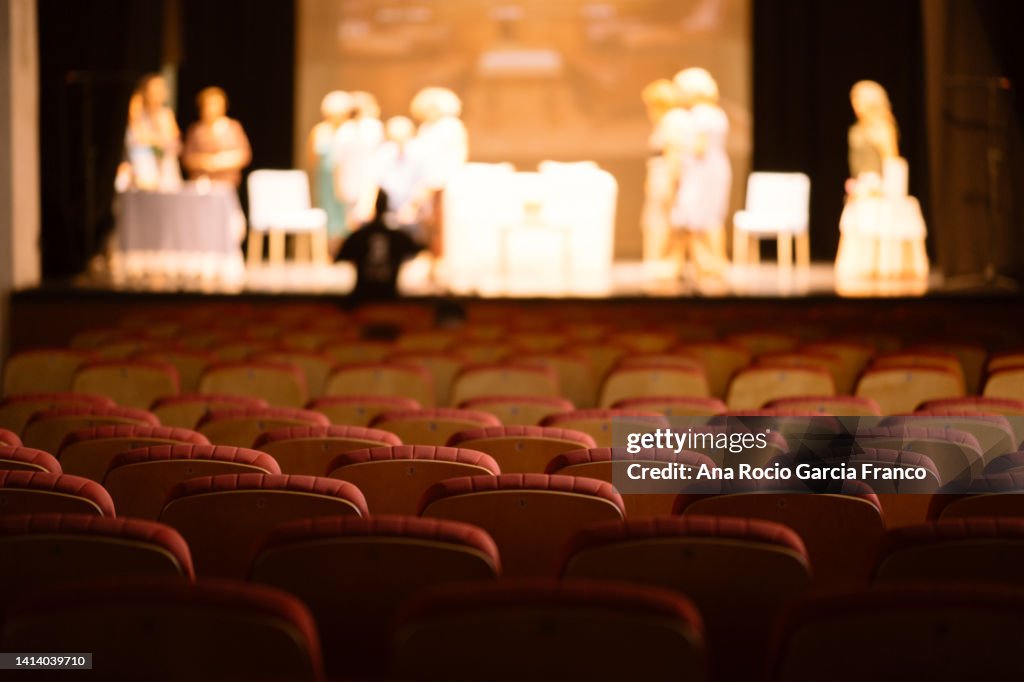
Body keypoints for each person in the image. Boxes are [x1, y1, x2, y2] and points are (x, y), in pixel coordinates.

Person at [835, 80, 928, 282]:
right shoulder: (857, 129)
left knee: (874, 210)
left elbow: (892, 161)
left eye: (860, 99)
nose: (856, 104)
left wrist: (884, 187)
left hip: (879, 184)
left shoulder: (883, 127)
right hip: (862, 182)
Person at [669, 67, 731, 280]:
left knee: (704, 217)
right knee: (701, 217)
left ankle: (713, 264)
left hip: (704, 171)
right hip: (706, 169)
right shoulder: (714, 112)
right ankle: (703, 264)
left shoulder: (703, 114)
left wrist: (675, 141)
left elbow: (700, 147)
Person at [411, 87, 468, 261]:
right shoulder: (426, 128)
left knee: (442, 225)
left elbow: (456, 156)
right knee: (426, 222)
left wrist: (441, 179)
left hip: (443, 182)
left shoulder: (451, 126)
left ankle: (440, 259)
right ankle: (430, 257)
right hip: (425, 181)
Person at [336, 189, 424, 301]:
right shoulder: (398, 237)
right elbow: (419, 248)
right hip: (389, 300)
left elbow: (339, 257)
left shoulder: (358, 236)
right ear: (387, 207)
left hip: (362, 301)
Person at [641, 78, 687, 273]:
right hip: (660, 175)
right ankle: (662, 263)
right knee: (657, 220)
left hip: (665, 177)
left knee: (662, 221)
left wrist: (671, 182)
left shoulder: (672, 120)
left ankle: (664, 264)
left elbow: (673, 154)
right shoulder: (670, 120)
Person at [308, 90, 354, 253]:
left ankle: (346, 250)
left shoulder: (349, 131)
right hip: (326, 179)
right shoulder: (320, 130)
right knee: (327, 214)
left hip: (346, 176)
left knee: (347, 215)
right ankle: (327, 252)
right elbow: (312, 157)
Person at [334, 90, 385, 229]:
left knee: (357, 219)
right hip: (364, 180)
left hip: (354, 181)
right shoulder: (372, 127)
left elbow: (338, 161)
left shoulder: (344, 129)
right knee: (360, 219)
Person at [182, 86, 252, 187]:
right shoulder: (196, 130)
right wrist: (204, 161)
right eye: (208, 104)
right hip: (201, 183)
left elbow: (244, 154)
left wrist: (221, 161)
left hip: (227, 183)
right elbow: (187, 158)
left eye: (215, 105)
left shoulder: (233, 127)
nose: (211, 109)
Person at [373, 115, 429, 241]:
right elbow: (375, 180)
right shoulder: (385, 152)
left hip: (415, 209)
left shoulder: (420, 152)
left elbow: (425, 183)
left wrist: (412, 206)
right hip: (389, 209)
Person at [123, 73, 181, 191]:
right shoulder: (136, 113)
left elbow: (174, 141)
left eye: (162, 88)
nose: (159, 93)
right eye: (154, 89)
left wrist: (158, 140)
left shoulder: (166, 114)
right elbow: (138, 139)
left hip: (165, 168)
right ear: (145, 92)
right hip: (142, 168)